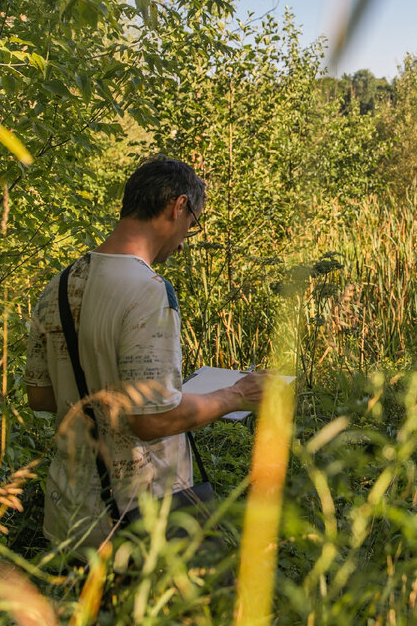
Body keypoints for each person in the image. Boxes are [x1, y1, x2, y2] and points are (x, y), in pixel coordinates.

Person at [25, 156, 264, 547]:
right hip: (138, 520)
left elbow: (41, 396)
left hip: (68, 515)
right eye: (192, 224)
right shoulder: (149, 291)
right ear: (179, 206)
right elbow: (151, 421)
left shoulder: (59, 285)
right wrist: (237, 394)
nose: (185, 241)